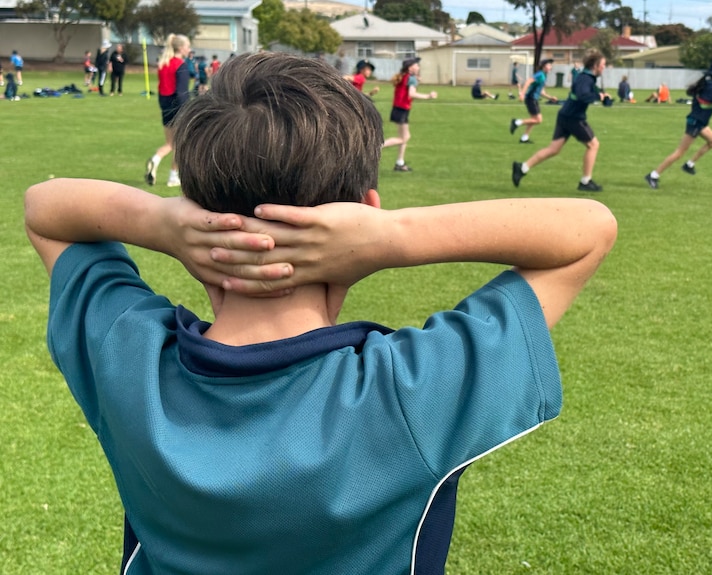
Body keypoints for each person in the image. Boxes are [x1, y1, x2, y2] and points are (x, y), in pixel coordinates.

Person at [24, 52, 618, 575]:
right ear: (366, 210)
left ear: (194, 209)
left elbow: (44, 209)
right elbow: (589, 230)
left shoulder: (127, 357)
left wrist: (160, 221)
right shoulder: (407, 392)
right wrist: (393, 237)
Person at [512, 51, 608, 192]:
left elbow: (582, 92)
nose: (604, 68)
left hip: (565, 115)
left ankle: (522, 168)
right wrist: (598, 96)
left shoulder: (585, 77)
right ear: (595, 65)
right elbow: (583, 95)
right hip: (574, 118)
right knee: (593, 145)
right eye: (603, 65)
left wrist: (600, 96)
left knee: (554, 149)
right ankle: (585, 181)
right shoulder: (586, 78)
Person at [644, 61, 712, 189]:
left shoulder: (708, 84)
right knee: (679, 152)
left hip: (701, 122)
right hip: (695, 123)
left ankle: (689, 164)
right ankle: (653, 175)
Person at [145, 33, 192, 188]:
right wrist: (188, 111)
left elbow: (161, 89)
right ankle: (173, 177)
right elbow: (181, 93)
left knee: (170, 143)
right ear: (180, 48)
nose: (189, 49)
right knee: (180, 145)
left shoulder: (164, 64)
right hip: (178, 108)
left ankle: (156, 159)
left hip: (165, 106)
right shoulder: (181, 66)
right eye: (187, 46)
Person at [382, 57, 437, 172]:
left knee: (404, 138)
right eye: (417, 65)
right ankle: (377, 147)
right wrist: (428, 96)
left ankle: (400, 163)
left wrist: (416, 80)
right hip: (401, 110)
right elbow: (411, 94)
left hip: (398, 109)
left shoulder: (404, 76)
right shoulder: (411, 78)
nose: (418, 67)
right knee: (404, 138)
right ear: (410, 67)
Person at [509, 59, 557, 144]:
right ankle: (517, 122)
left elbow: (541, 92)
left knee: (533, 119)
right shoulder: (540, 74)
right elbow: (528, 82)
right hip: (531, 99)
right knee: (538, 120)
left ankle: (524, 138)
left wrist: (550, 98)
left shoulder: (544, 75)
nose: (551, 67)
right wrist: (522, 94)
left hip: (533, 99)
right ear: (544, 66)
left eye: (551, 65)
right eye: (549, 65)